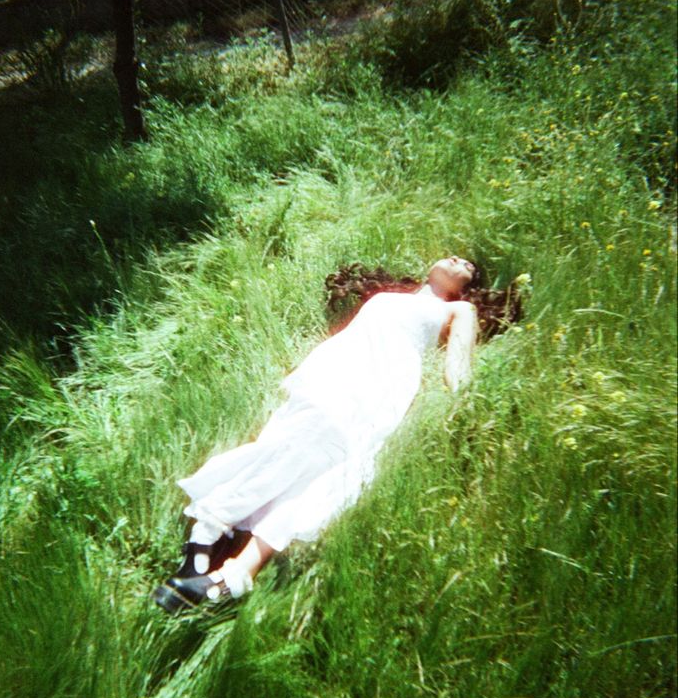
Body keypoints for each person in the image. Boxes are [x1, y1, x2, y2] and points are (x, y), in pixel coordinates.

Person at [153, 256, 521, 612]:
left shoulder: (458, 311)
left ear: (466, 289)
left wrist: (468, 413)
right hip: (335, 366)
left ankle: (212, 551)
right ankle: (221, 567)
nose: (460, 260)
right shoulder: (394, 294)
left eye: (469, 266)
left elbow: (457, 367)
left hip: (379, 382)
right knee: (286, 447)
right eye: (454, 255)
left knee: (324, 470)